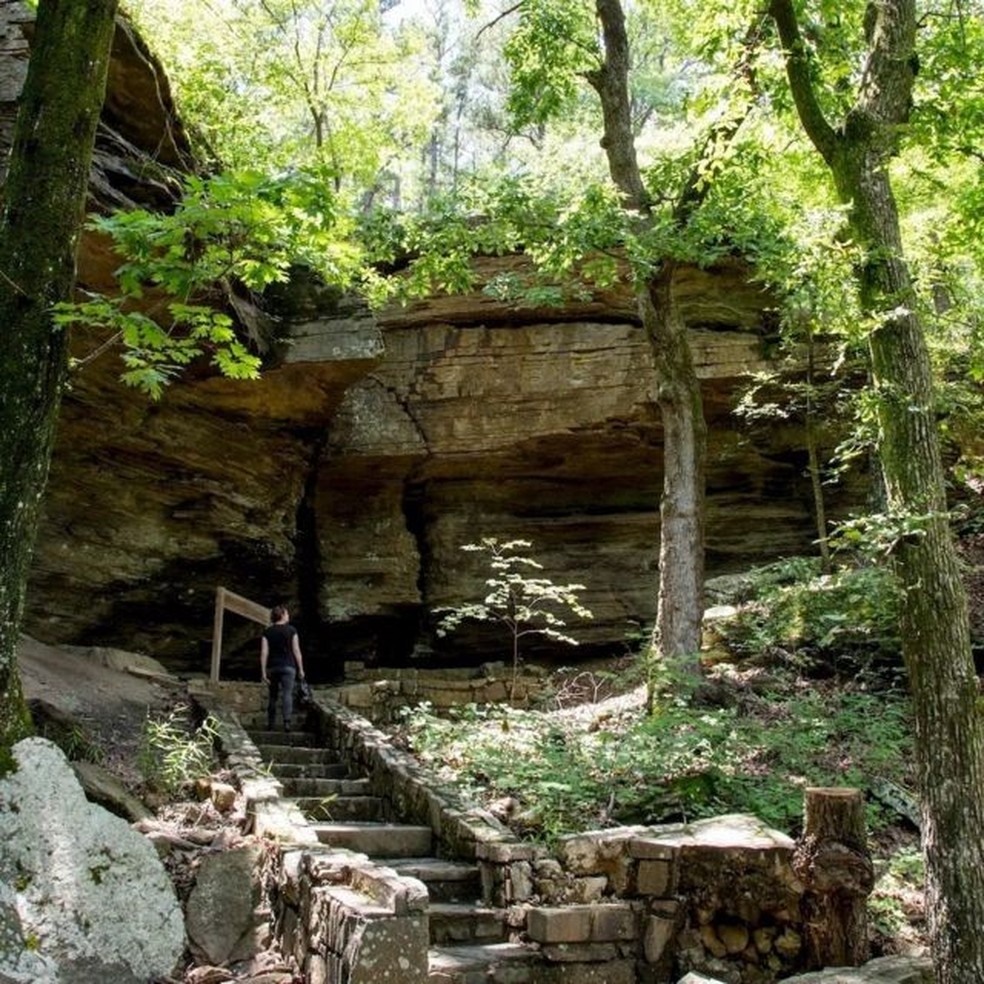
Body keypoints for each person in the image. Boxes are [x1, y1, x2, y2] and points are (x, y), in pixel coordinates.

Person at [260, 604, 306, 732]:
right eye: (286, 613)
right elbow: (296, 651)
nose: (288, 616)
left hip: (273, 667)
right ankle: (287, 723)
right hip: (288, 666)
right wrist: (301, 669)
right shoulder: (292, 630)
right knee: (287, 694)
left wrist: (263, 672)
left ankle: (271, 724)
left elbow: (264, 653)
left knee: (273, 695)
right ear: (282, 615)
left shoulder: (267, 632)